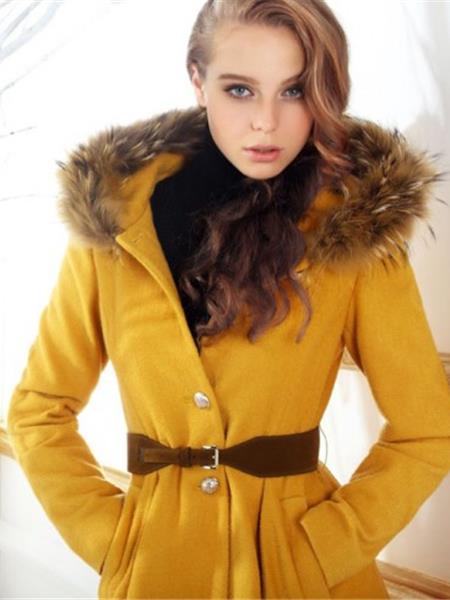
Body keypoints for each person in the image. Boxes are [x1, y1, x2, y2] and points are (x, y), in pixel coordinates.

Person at [7, 0, 450, 598]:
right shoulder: (117, 222)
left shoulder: (350, 229)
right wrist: (111, 540)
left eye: (294, 91)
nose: (266, 122)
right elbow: (38, 410)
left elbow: (427, 430)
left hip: (299, 574)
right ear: (198, 80)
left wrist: (326, 548)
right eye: (240, 90)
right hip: (157, 571)